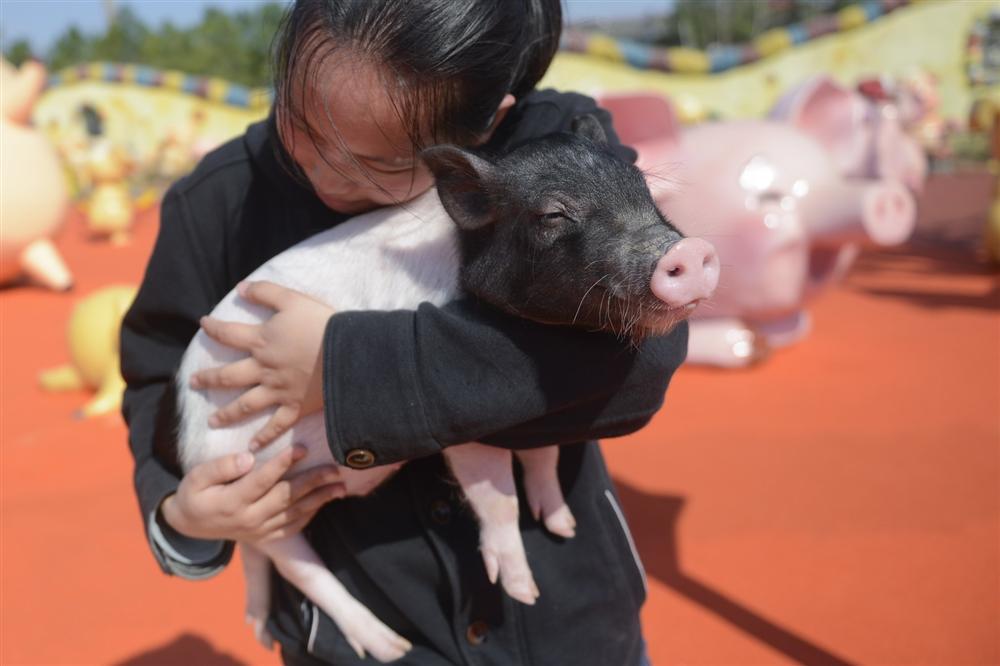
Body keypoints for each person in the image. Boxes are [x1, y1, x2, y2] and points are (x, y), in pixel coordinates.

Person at [121, 1, 688, 664]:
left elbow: (640, 360)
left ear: (481, 133)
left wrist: (343, 369)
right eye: (298, 120)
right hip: (352, 638)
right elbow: (158, 375)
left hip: (567, 626)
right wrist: (181, 515)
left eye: (375, 162)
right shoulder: (218, 200)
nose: (321, 170)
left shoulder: (560, 148)